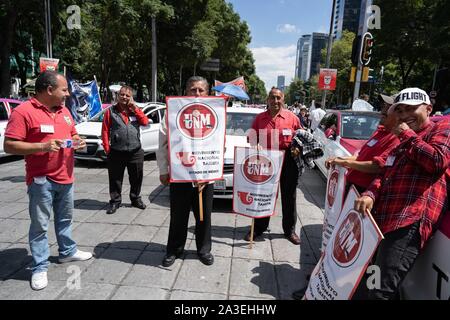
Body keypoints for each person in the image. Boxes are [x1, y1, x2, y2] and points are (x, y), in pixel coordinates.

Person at [354, 87, 450, 299]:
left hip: (409, 222)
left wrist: (405, 134)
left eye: (411, 109)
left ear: (429, 109)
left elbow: (436, 160)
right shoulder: (404, 139)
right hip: (384, 220)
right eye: (400, 111)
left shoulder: (442, 126)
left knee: (380, 292)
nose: (404, 115)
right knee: (373, 279)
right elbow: (384, 172)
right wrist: (370, 194)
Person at [3, 70, 93, 291]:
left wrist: (76, 140)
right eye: (64, 89)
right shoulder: (24, 112)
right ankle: (40, 266)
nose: (68, 94)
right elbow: (9, 145)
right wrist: (42, 146)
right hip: (41, 180)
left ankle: (67, 252)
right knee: (40, 226)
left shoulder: (64, 111)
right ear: (49, 89)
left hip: (66, 177)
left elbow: (72, 134)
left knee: (65, 220)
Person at [156, 76, 215, 267]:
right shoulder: (172, 112)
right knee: (178, 216)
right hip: (180, 175)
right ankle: (174, 250)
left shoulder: (216, 113)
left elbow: (218, 144)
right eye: (192, 90)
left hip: (205, 176)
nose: (196, 94)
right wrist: (163, 170)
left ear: (207, 93)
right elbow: (163, 142)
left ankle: (204, 250)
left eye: (201, 90)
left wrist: (212, 167)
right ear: (186, 92)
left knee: (204, 216)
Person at [245, 87, 302, 245]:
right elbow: (251, 136)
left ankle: (289, 230)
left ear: (283, 99)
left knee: (289, 196)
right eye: (272, 97)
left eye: (278, 98)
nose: (275, 101)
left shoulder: (292, 118)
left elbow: (302, 137)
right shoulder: (259, 119)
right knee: (264, 194)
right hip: (266, 161)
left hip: (288, 161)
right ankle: (258, 228)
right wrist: (255, 144)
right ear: (267, 99)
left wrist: (298, 148)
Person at [324, 94, 400, 193]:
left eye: (389, 107)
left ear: (400, 114)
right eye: (384, 106)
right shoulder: (379, 131)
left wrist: (344, 162)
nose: (383, 110)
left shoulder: (396, 138)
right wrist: (338, 159)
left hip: (364, 191)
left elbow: (377, 166)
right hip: (352, 186)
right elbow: (360, 157)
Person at [101, 86, 149, 214]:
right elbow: (105, 130)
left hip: (136, 151)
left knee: (137, 177)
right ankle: (115, 201)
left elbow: (145, 122)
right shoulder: (110, 111)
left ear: (131, 97)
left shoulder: (135, 110)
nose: (124, 97)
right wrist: (107, 149)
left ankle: (135, 198)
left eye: (127, 95)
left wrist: (135, 108)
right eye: (122, 94)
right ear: (118, 95)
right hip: (116, 151)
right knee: (115, 178)